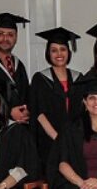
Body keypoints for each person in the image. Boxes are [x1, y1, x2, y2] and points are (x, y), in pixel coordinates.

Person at [29, 27, 82, 167]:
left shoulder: (79, 78)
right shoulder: (40, 79)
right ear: (48, 53)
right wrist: (58, 139)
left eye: (63, 49)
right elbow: (39, 113)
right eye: (54, 50)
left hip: (75, 142)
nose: (59, 54)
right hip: (50, 143)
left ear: (68, 52)